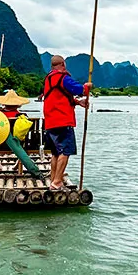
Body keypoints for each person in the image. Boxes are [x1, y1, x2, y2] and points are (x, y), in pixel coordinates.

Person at [42, 54, 92, 190]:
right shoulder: (63, 78)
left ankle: (53, 180)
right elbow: (79, 89)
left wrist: (77, 102)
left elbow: (58, 97)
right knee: (65, 151)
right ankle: (57, 181)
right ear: (63, 64)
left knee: (55, 153)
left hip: (50, 121)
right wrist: (87, 87)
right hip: (63, 121)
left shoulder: (48, 79)